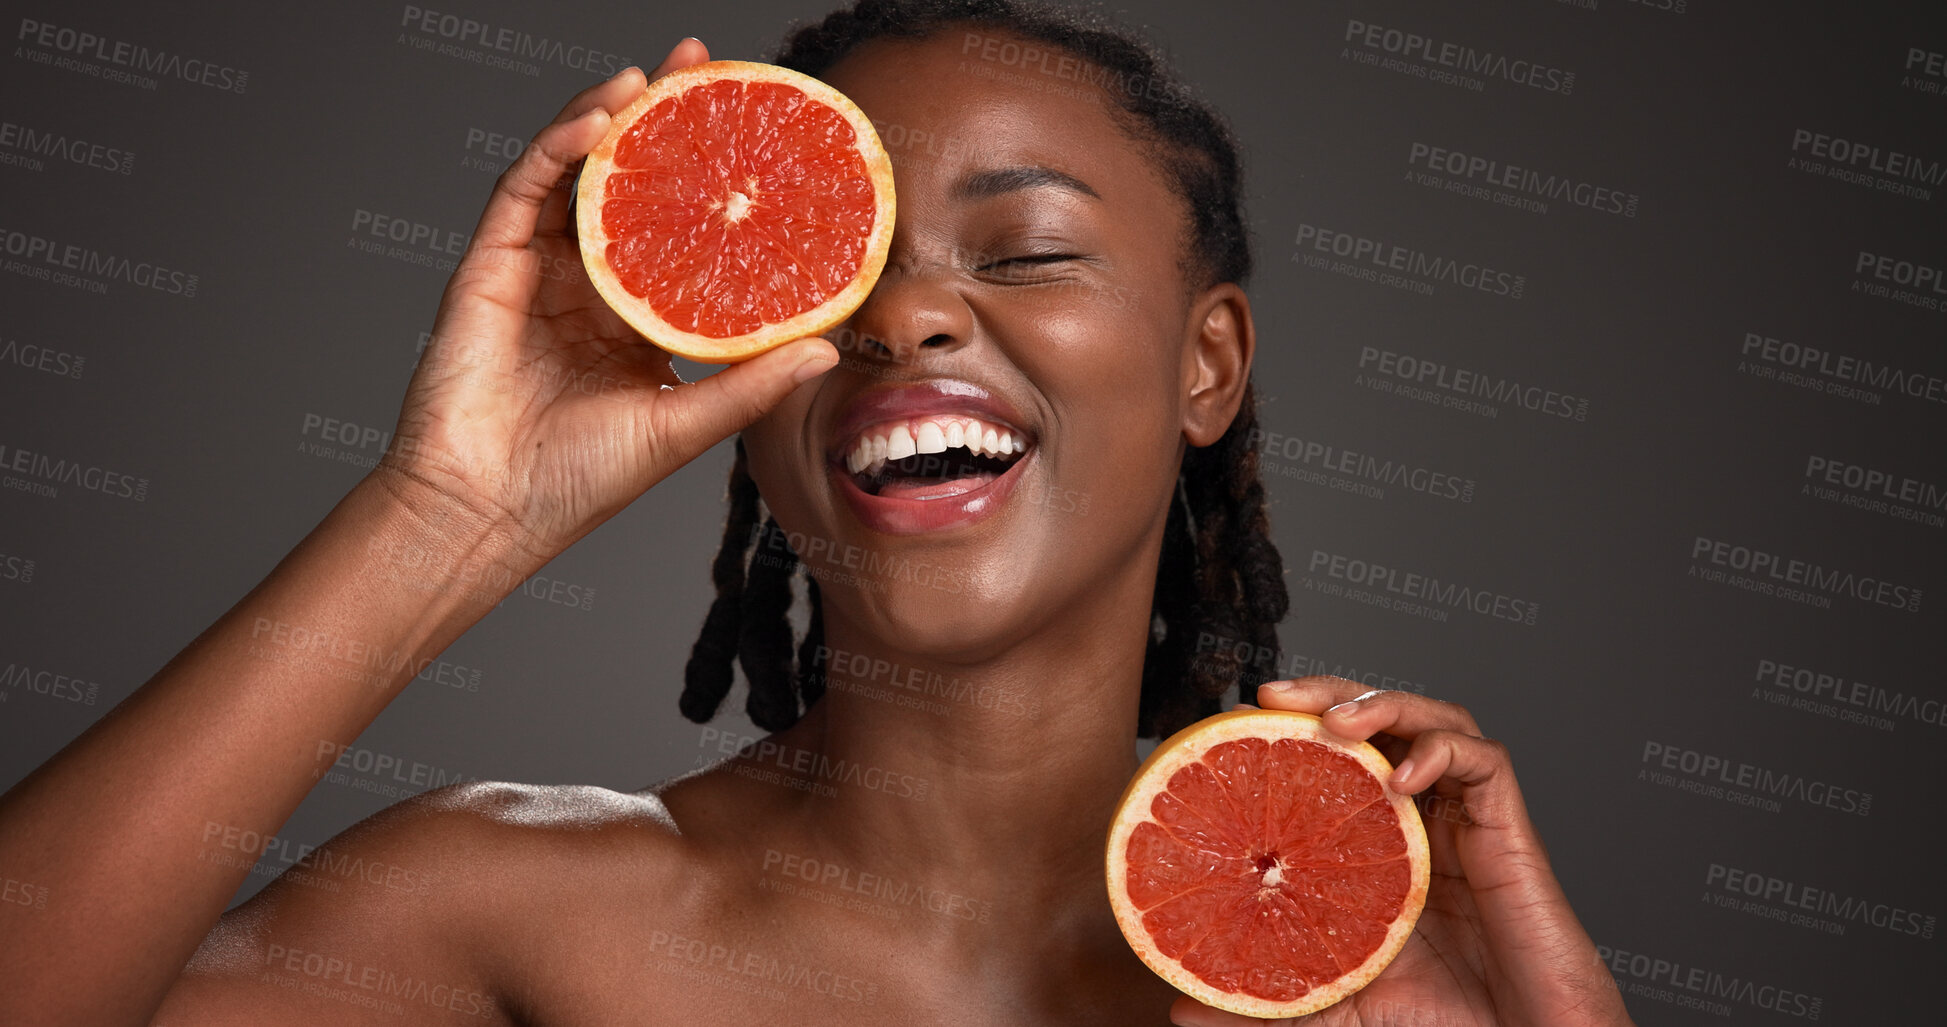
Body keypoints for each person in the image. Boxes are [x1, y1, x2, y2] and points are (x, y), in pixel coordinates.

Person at [0, 2, 1635, 1024]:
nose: (905, 318)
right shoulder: (508, 913)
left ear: (1206, 365)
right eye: (833, 274)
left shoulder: (1375, 973)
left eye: (1024, 252)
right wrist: (450, 514)